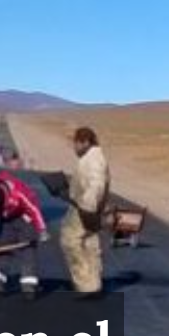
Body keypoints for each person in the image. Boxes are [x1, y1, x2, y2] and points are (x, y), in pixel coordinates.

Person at [0, 170, 50, 297]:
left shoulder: (18, 192)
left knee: (27, 250)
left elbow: (34, 209)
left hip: (24, 216)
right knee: (0, 248)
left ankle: (28, 286)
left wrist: (42, 229)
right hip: (6, 219)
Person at [59, 126, 110, 296]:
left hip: (85, 208)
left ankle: (86, 284)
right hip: (86, 207)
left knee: (71, 241)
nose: (74, 148)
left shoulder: (94, 159)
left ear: (85, 142)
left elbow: (97, 184)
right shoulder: (91, 157)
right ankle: (93, 282)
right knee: (89, 242)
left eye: (76, 143)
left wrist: (87, 206)